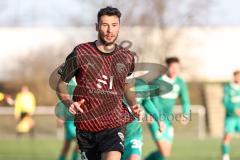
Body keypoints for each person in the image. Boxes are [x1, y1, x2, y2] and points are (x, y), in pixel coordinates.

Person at [56, 6, 140, 160]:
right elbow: (61, 84)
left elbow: (127, 84)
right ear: (97, 27)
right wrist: (69, 103)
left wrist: (133, 103)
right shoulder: (81, 53)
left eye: (114, 25)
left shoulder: (127, 57)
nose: (110, 30)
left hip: (114, 123)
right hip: (86, 126)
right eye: (105, 25)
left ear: (119, 27)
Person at [145, 57, 190, 160]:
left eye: (177, 68)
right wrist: (154, 117)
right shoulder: (157, 82)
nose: (175, 70)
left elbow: (185, 100)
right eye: (172, 67)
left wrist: (186, 114)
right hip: (156, 120)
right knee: (164, 152)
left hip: (168, 121)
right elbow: (152, 102)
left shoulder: (180, 83)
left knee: (165, 154)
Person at [57, 78, 80, 160]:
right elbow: (61, 98)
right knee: (70, 143)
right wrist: (60, 116)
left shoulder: (83, 79)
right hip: (69, 118)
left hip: (80, 118)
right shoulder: (68, 80)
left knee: (76, 144)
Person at [221, 70, 240, 160]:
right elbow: (225, 102)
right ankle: (225, 156)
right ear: (234, 77)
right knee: (228, 136)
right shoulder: (228, 88)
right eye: (237, 76)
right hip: (231, 117)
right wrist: (233, 109)